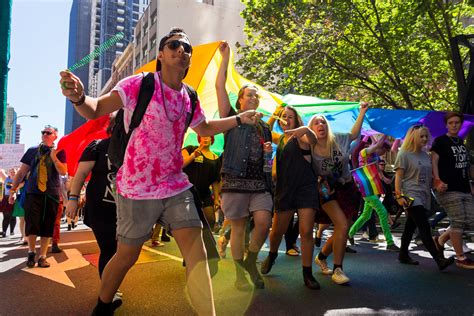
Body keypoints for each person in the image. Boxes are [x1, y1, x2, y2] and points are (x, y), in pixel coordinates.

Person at [60, 28, 261, 315]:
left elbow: (203, 128)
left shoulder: (189, 96)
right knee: (126, 255)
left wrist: (238, 119)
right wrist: (79, 97)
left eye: (186, 47)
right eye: (174, 45)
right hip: (136, 187)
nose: (181, 50)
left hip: (175, 186)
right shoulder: (139, 85)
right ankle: (103, 305)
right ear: (161, 54)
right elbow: (95, 109)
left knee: (197, 252)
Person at [216, 41, 273, 291]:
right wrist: (226, 58)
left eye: (255, 95)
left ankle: (250, 260)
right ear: (239, 101)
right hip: (235, 181)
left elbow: (267, 162)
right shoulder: (230, 118)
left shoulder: (265, 127)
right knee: (238, 229)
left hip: (259, 184)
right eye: (248, 94)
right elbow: (220, 85)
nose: (253, 97)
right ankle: (241, 274)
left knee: (263, 222)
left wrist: (268, 154)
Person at [260, 106, 321, 289]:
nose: (286, 119)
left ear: (296, 120)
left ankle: (307, 273)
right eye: (283, 116)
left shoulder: (301, 137)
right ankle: (272, 255)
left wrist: (306, 130)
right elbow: (267, 131)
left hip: (305, 189)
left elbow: (312, 139)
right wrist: (273, 114)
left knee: (306, 231)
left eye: (290, 117)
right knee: (277, 230)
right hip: (284, 190)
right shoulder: (280, 138)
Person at [65, 118, 123, 307]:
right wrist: (73, 199)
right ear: (112, 128)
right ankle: (107, 294)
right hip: (100, 208)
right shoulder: (97, 146)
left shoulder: (134, 148)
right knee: (108, 249)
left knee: (120, 252)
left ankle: (109, 288)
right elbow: (81, 173)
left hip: (126, 210)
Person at [309, 102, 368, 285]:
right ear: (310, 129)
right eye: (316, 123)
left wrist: (362, 112)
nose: (321, 125)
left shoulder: (340, 139)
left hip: (348, 188)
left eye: (323, 122)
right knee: (341, 224)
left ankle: (321, 256)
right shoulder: (308, 149)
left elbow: (354, 133)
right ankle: (338, 270)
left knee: (344, 227)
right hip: (327, 192)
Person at [394, 125, 454, 270]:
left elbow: (430, 176)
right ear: (413, 137)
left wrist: (438, 184)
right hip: (411, 196)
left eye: (426, 136)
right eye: (421, 136)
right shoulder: (404, 154)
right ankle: (439, 260)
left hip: (424, 194)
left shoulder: (425, 155)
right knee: (424, 227)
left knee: (410, 227)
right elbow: (399, 177)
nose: (425, 139)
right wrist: (399, 195)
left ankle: (403, 255)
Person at [9, 125, 67, 268]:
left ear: (55, 136)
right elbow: (21, 172)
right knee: (32, 224)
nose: (45, 134)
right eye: (43, 132)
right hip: (33, 192)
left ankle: (42, 256)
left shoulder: (60, 151)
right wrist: (12, 191)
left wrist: (54, 158)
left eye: (49, 132)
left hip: (51, 193)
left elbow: (63, 171)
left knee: (48, 225)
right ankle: (31, 252)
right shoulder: (32, 150)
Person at [431, 111, 474, 269]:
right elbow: (434, 161)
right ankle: (460, 258)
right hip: (447, 188)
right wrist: (437, 180)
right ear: (446, 125)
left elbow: (465, 167)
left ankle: (440, 240)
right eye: (451, 123)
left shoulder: (461, 142)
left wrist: (470, 185)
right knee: (459, 221)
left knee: (470, 220)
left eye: (457, 122)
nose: (454, 125)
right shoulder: (441, 141)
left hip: (464, 187)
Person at [348, 136, 399, 251]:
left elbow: (377, 170)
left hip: (372, 188)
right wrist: (386, 132)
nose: (383, 153)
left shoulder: (375, 156)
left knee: (366, 215)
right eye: (383, 150)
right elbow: (377, 144)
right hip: (366, 188)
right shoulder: (364, 152)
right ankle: (390, 242)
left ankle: (349, 234)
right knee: (383, 212)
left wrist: (384, 179)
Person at [182, 135, 221, 229]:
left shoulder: (216, 158)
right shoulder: (190, 148)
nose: (206, 138)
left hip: (204, 193)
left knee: (210, 219)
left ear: (212, 139)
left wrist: (216, 198)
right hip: (187, 191)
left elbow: (215, 180)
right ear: (199, 138)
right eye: (203, 136)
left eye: (208, 136)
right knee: (188, 222)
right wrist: (193, 155)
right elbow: (181, 164)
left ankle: (202, 239)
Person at [1, 168, 17, 237]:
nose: (12, 173)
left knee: (13, 216)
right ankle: (4, 231)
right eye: (11, 172)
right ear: (8, 173)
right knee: (6, 216)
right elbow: (1, 171)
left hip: (15, 199)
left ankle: (12, 231)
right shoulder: (6, 179)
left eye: (14, 172)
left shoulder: (18, 179)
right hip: (6, 198)